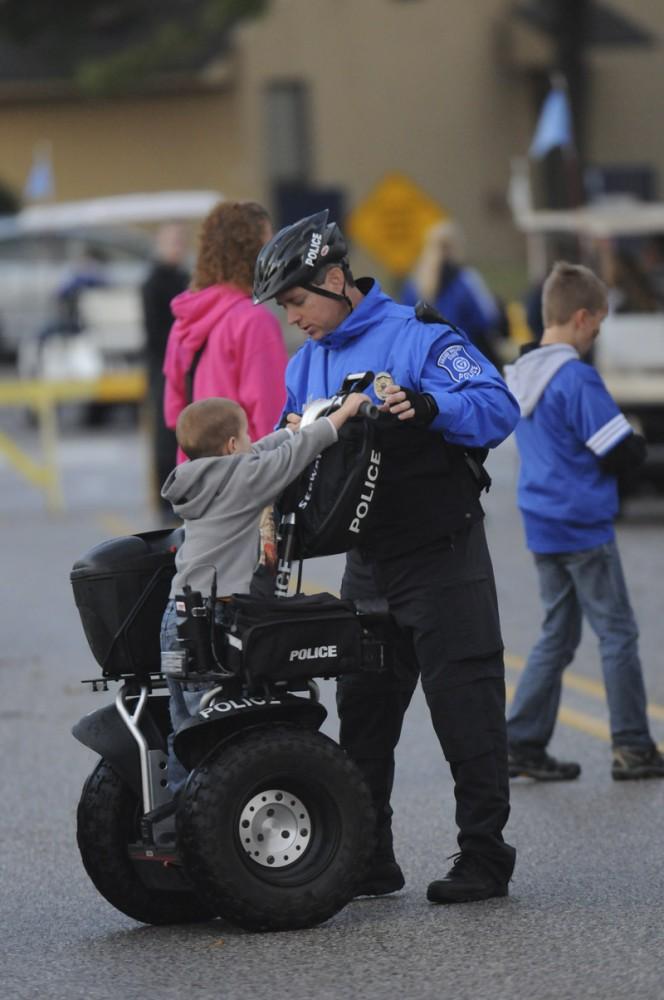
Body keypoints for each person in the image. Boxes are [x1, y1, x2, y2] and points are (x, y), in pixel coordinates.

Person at [253, 210, 520, 905]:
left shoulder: (418, 334)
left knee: (467, 716)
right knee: (363, 724)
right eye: (285, 308)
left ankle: (484, 860)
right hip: (366, 565)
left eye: (298, 301)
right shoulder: (304, 363)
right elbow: (286, 452)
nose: (294, 319)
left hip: (442, 557)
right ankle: (370, 858)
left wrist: (429, 405)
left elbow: (497, 404)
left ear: (336, 280)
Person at [160, 391, 370, 790]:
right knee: (213, 730)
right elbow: (291, 459)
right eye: (245, 435)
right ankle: (204, 817)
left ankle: (173, 816)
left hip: (177, 616)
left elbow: (256, 457)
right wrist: (342, 414)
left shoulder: (199, 479)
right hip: (211, 618)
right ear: (231, 445)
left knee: (185, 728)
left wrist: (283, 433)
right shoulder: (242, 479)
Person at [503, 261, 664, 782]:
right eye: (597, 324)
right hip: (583, 523)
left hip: (542, 521)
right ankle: (633, 746)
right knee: (617, 633)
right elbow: (620, 452)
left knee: (558, 632)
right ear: (578, 318)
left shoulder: (522, 371)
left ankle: (522, 741)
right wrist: (642, 444)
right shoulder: (575, 377)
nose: (597, 334)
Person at [162, 200, 287, 465]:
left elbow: (174, 414)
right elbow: (272, 418)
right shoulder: (255, 322)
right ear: (254, 253)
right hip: (244, 480)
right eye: (270, 245)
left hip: (194, 482)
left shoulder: (185, 320)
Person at [401, 220, 505, 369]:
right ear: (456, 247)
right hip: (465, 359)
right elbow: (487, 318)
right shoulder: (466, 279)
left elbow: (406, 323)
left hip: (425, 361)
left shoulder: (413, 284)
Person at [141, 223, 190, 514]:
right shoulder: (152, 283)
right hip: (162, 365)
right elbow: (154, 332)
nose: (176, 247)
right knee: (164, 432)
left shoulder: (185, 279)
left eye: (179, 241)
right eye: (170, 241)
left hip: (185, 364)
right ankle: (164, 498)